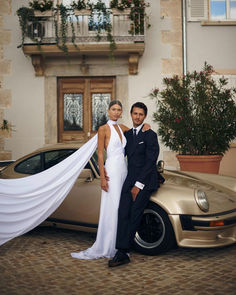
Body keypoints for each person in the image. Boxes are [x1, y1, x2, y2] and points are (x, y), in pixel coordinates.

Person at [71, 100, 150, 259]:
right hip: (111, 170)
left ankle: (120, 242)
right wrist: (102, 177)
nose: (116, 112)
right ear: (108, 111)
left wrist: (147, 126)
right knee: (112, 207)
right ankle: (108, 245)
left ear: (121, 113)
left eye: (119, 110)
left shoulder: (123, 128)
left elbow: (138, 131)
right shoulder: (103, 129)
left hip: (124, 170)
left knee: (122, 208)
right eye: (113, 109)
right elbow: (100, 153)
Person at [108, 102, 162, 267]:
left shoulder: (150, 135)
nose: (138, 117)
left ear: (144, 116)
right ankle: (121, 248)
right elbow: (115, 134)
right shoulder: (128, 135)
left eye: (141, 114)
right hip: (129, 178)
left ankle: (123, 252)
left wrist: (138, 185)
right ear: (131, 115)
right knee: (122, 212)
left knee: (134, 214)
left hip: (145, 181)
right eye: (135, 114)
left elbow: (150, 162)